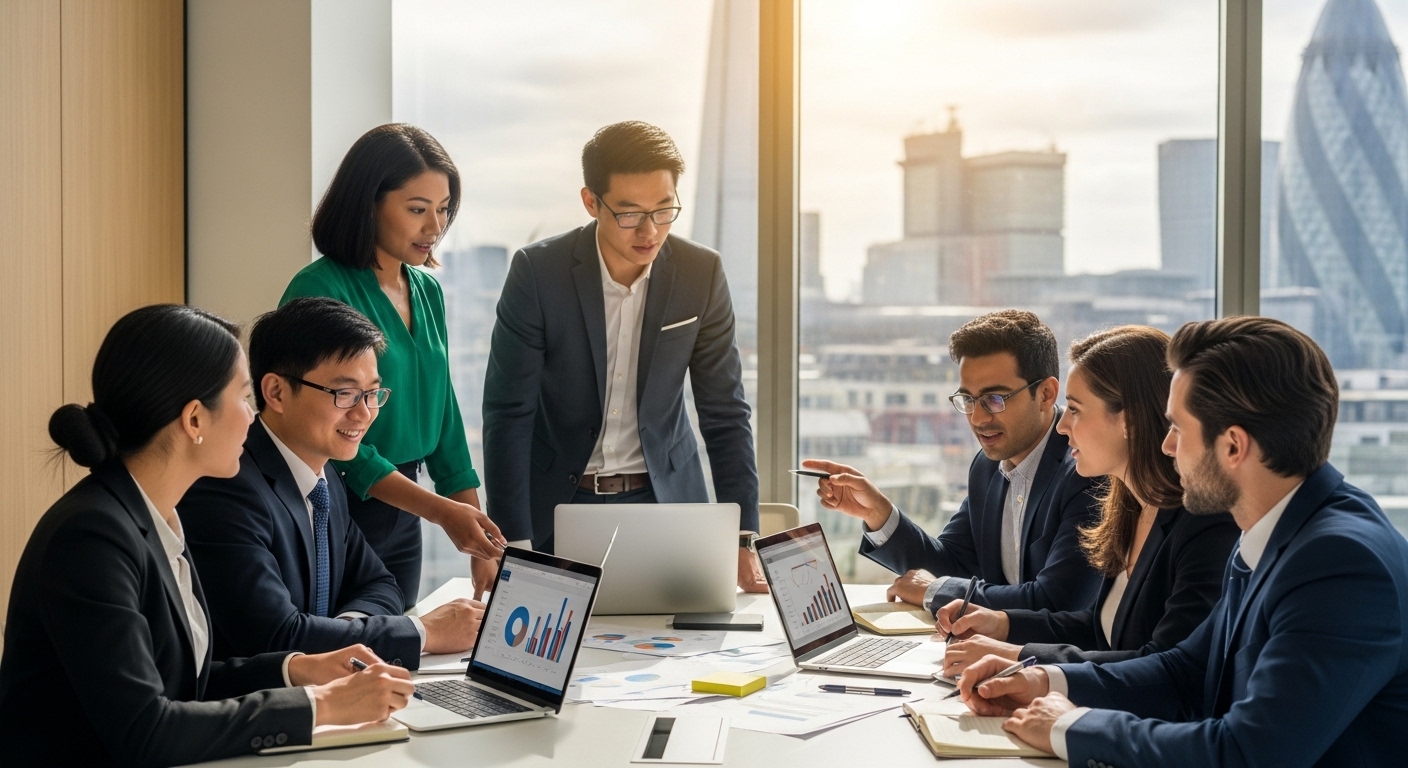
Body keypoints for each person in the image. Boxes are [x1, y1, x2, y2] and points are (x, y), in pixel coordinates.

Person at [957, 316, 1408, 768]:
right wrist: (1043, 681)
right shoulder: (1276, 530)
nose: (1167, 446)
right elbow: (1184, 671)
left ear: (1233, 447)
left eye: (1177, 428)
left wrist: (1071, 725)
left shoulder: (1341, 565)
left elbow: (1250, 753)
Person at [0, 304, 414, 766]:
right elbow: (146, 729)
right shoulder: (92, 537)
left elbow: (183, 684)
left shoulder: (156, 514)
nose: (252, 417)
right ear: (195, 420)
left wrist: (295, 669)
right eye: (243, 398)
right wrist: (323, 706)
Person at [482, 120, 765, 594]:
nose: (650, 231)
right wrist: (515, 540)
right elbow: (508, 414)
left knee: (680, 652)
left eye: (664, 209)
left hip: (668, 504)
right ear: (591, 202)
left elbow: (725, 413)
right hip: (559, 507)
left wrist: (743, 537)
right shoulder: (538, 272)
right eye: (630, 214)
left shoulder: (701, 272)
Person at [180, 298, 485, 669]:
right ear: (275, 392)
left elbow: (381, 584)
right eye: (344, 394)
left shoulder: (326, 477)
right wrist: (424, 632)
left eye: (372, 393)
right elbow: (277, 636)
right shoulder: (227, 486)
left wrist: (341, 637)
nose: (364, 413)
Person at [283, 123, 506, 608]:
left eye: (444, 210)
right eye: (417, 210)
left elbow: (443, 413)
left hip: (406, 509)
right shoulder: (319, 290)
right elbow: (321, 429)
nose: (435, 227)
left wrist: (475, 530)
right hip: (340, 505)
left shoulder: (426, 291)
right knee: (351, 657)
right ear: (369, 203)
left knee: (398, 656)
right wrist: (440, 512)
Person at [935, 326, 1238, 678]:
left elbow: (1166, 668)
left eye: (1075, 410)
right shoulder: (1126, 508)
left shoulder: (1203, 525)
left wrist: (1022, 659)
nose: (1062, 426)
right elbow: (1100, 631)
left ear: (1129, 421)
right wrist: (1001, 624)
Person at [805, 309, 1102, 613]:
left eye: (995, 399)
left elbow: (1055, 602)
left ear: (1046, 394)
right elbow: (948, 565)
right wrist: (879, 514)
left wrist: (937, 590)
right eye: (968, 400)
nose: (978, 418)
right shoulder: (986, 467)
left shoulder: (1087, 472)